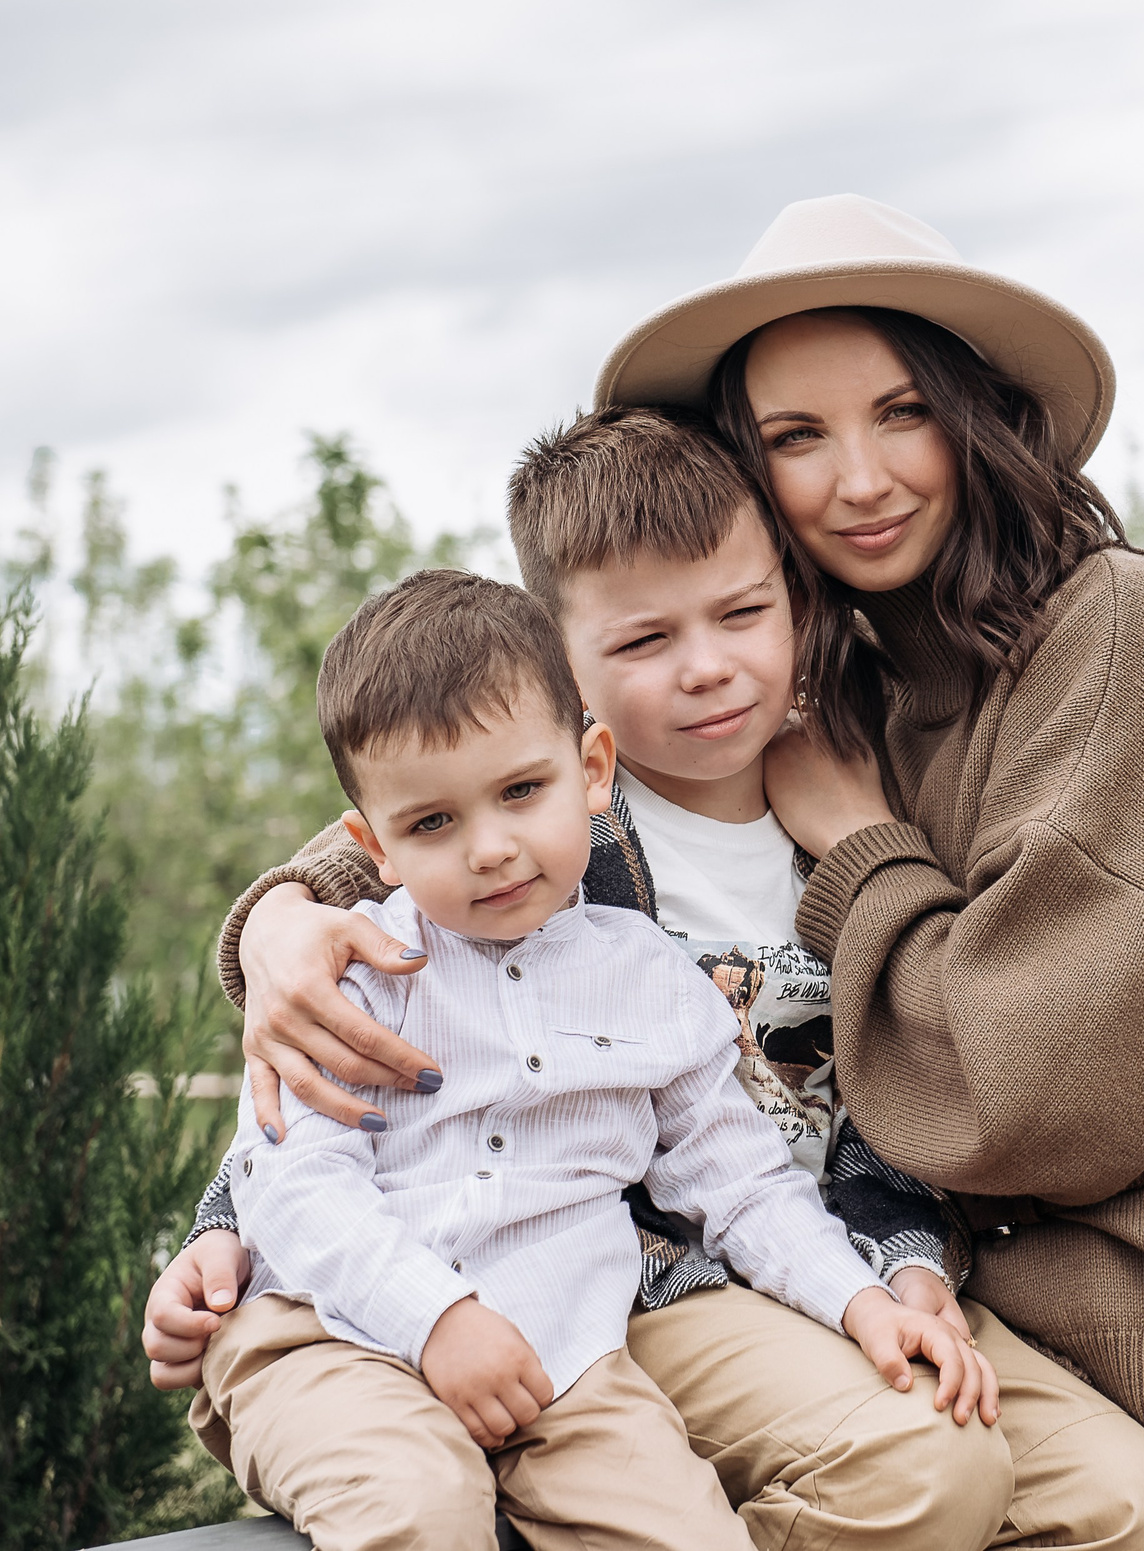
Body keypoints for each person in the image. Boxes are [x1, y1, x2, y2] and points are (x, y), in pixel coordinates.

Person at [149, 410, 1144, 1551]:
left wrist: (892, 1268)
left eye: (744, 612)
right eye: (645, 640)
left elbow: (921, 1079)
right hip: (632, 1279)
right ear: (564, 667)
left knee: (1119, 1501)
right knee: (921, 1467)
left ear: (796, 600)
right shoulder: (543, 836)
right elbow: (346, 978)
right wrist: (227, 1202)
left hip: (810, 1248)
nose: (706, 667)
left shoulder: (884, 787)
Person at [196, 566, 985, 1551]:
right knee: (420, 1514)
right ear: (375, 843)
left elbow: (740, 1185)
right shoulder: (355, 971)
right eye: (433, 821)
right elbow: (295, 1177)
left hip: (564, 1348)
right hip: (331, 1331)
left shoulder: (651, 981)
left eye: (521, 790)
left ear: (591, 768)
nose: (490, 847)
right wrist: (434, 1316)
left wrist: (859, 1298)